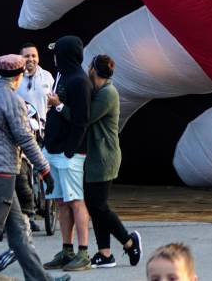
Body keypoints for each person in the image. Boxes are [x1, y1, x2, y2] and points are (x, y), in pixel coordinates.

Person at [0, 54, 68, 281]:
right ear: (18, 77)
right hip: (3, 173)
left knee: (18, 232)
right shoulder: (13, 101)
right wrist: (45, 170)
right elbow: (26, 139)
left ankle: (41, 279)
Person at [83, 54, 142, 268]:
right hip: (97, 156)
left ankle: (128, 242)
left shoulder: (108, 93)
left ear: (93, 71)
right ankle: (105, 253)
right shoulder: (100, 91)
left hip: (104, 157)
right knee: (96, 205)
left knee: (97, 205)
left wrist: (60, 105)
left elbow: (86, 117)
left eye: (89, 67)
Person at [41, 36, 93, 272]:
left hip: (68, 153)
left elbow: (82, 119)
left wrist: (71, 150)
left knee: (76, 201)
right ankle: (67, 249)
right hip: (54, 150)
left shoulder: (79, 81)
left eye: (57, 52)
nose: (54, 56)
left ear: (65, 54)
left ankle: (83, 252)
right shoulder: (62, 76)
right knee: (61, 202)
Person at [16, 42, 55, 230]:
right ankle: (27, 213)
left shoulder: (47, 77)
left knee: (40, 170)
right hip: (20, 133)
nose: (30, 59)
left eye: (34, 55)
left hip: (41, 132)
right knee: (24, 174)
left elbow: (54, 102)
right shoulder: (14, 79)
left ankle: (41, 206)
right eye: (27, 56)